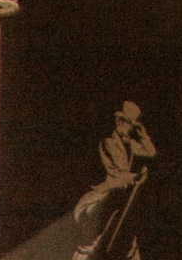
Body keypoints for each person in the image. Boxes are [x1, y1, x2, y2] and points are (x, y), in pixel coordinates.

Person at [71, 101, 156, 260]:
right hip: (106, 193)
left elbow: (150, 152)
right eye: (126, 123)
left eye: (131, 125)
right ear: (119, 122)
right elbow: (116, 172)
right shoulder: (109, 142)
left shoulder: (129, 144)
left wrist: (142, 132)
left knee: (127, 236)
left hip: (121, 195)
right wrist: (135, 177)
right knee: (92, 239)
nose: (128, 128)